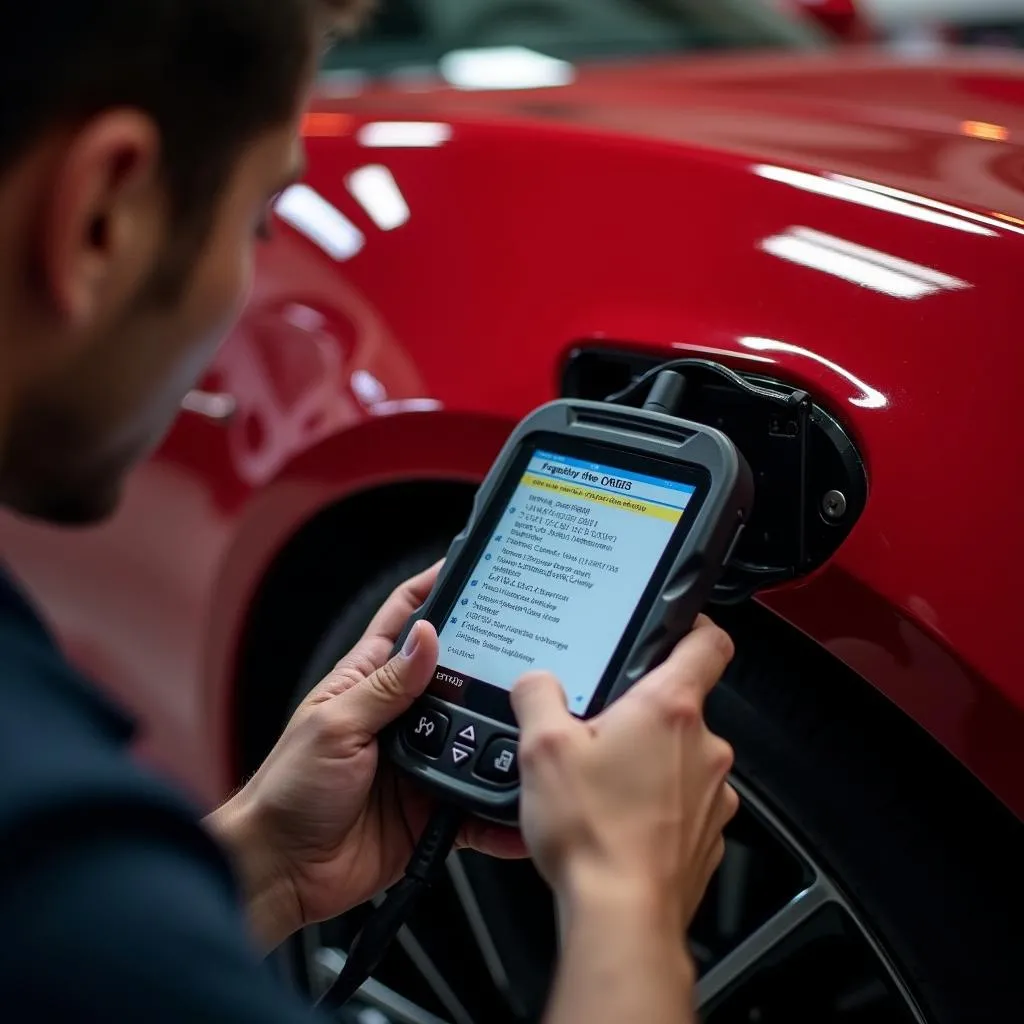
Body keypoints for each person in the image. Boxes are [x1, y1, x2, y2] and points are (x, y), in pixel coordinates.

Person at [0, 2, 739, 1021]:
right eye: (257, 219)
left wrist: (268, 859)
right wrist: (628, 904)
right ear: (100, 215)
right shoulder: (46, 827)